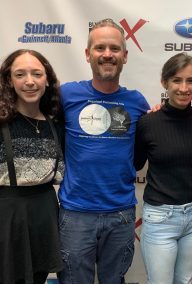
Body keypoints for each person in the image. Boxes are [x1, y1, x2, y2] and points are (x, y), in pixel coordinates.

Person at [57, 18, 150, 284]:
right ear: (88, 54)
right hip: (75, 215)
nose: (107, 54)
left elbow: (165, 126)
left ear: (125, 56)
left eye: (114, 48)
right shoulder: (66, 95)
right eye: (99, 48)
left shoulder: (137, 101)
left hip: (120, 214)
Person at [134, 52, 192, 284]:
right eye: (177, 80)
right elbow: (136, 163)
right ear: (165, 83)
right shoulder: (148, 122)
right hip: (160, 217)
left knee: (184, 280)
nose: (183, 87)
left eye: (190, 81)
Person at [0, 49, 64, 284]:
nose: (29, 81)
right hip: (7, 217)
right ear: (9, 80)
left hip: (45, 214)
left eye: (36, 74)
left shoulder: (55, 125)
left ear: (46, 80)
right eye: (20, 74)